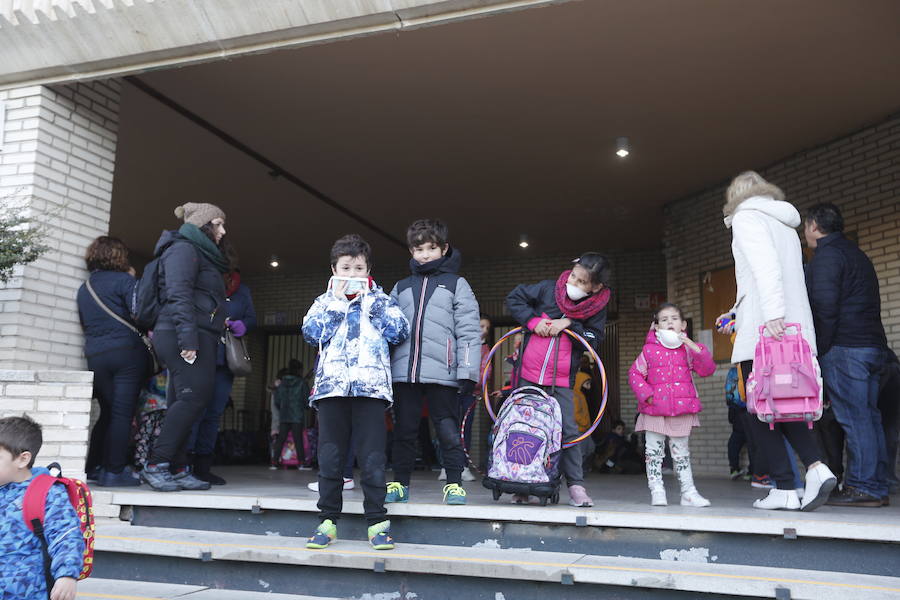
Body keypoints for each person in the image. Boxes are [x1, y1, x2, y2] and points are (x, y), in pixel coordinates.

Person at [716, 171, 836, 511]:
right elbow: (776, 276)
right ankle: (814, 468)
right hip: (791, 326)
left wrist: (770, 317)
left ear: (735, 195)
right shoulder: (785, 223)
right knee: (781, 405)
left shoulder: (746, 218)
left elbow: (766, 269)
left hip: (767, 330)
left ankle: (785, 486)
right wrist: (742, 313)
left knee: (756, 409)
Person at [302, 234, 409, 550]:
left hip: (371, 390)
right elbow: (310, 333)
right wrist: (337, 302)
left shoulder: (382, 299)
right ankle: (327, 521)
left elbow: (399, 331)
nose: (351, 274)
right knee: (331, 458)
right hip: (332, 390)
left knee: (373, 459)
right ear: (334, 269)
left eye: (358, 267)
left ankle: (377, 524)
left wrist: (370, 302)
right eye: (345, 267)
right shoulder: (324, 301)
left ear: (368, 270)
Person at [506, 252, 612, 507]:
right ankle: (521, 483)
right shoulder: (547, 289)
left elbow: (595, 338)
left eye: (581, 282)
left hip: (562, 379)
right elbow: (514, 298)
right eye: (573, 277)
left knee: (569, 431)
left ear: (596, 287)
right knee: (523, 427)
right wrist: (532, 322)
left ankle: (576, 485)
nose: (573, 284)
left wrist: (569, 324)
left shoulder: (596, 309)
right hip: (528, 375)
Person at [387, 219, 481, 506]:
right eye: (419, 249)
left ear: (444, 248)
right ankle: (400, 483)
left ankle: (454, 482)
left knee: (447, 430)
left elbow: (468, 330)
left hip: (445, 372)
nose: (425, 254)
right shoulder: (401, 287)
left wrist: (467, 371)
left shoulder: (457, 284)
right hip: (404, 373)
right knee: (404, 431)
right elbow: (388, 330)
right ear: (411, 251)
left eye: (431, 248)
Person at [804, 202, 891, 507]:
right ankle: (876, 485)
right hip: (873, 347)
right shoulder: (857, 254)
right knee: (869, 419)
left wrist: (821, 350)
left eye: (806, 226)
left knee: (855, 420)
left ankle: (864, 487)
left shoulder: (826, 257)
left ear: (814, 226)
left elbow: (825, 309)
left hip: (846, 349)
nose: (805, 233)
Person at [141, 203, 230, 493]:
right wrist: (188, 340)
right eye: (218, 224)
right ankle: (157, 464)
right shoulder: (183, 249)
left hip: (196, 333)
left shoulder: (199, 252)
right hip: (181, 334)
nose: (223, 231)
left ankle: (178, 468)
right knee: (193, 398)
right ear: (203, 226)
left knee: (187, 400)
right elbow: (178, 295)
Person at [76, 236, 150, 487]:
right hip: (126, 353)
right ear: (119, 256)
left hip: (96, 355)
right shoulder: (124, 281)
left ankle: (93, 467)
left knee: (108, 411)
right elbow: (141, 314)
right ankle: (114, 472)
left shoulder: (84, 287)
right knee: (122, 413)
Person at [629, 303, 716, 506]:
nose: (669, 322)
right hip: (654, 410)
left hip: (681, 409)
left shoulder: (687, 350)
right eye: (664, 319)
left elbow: (707, 369)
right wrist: (648, 396)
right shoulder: (648, 351)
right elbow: (634, 374)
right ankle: (657, 490)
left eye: (674, 318)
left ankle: (688, 492)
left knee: (681, 453)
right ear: (656, 327)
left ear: (683, 324)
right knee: (654, 453)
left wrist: (694, 346)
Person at [0, 416, 84, 600]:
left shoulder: (46, 494)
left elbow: (66, 535)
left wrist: (67, 575)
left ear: (22, 459)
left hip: (26, 592)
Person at [190, 266, 256, 485]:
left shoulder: (242, 291)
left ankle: (202, 466)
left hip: (225, 360)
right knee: (193, 410)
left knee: (213, 413)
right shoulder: (201, 285)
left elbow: (251, 319)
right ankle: (183, 463)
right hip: (198, 356)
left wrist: (242, 325)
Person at [271, 359, 309, 470]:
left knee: (281, 438)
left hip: (284, 414)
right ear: (299, 370)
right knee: (298, 439)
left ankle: (274, 462)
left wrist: (282, 408)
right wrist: (304, 407)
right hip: (297, 415)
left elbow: (277, 400)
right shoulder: (302, 383)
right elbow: (306, 399)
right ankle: (301, 463)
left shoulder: (282, 382)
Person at [724, 366, 751, 480]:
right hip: (749, 409)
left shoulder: (733, 371)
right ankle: (753, 472)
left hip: (734, 410)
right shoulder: (749, 367)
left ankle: (734, 468)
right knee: (753, 443)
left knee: (734, 443)